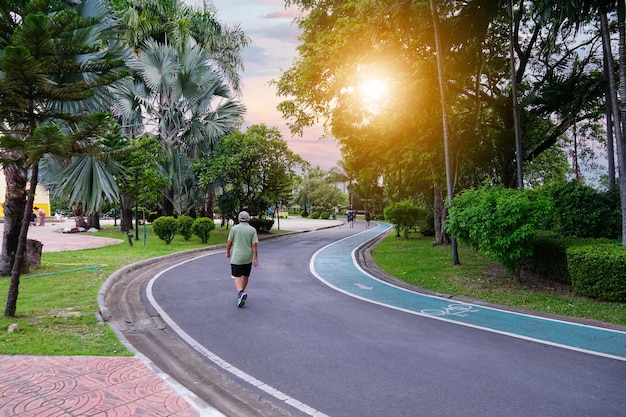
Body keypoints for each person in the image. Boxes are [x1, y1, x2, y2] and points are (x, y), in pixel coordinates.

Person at [226, 211, 259, 307]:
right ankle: (241, 294)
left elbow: (229, 243)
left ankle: (240, 292)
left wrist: (228, 252)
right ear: (248, 219)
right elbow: (254, 245)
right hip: (248, 257)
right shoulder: (252, 230)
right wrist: (256, 258)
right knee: (245, 276)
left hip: (237, 257)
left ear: (239, 219)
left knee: (236, 276)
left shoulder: (234, 229)